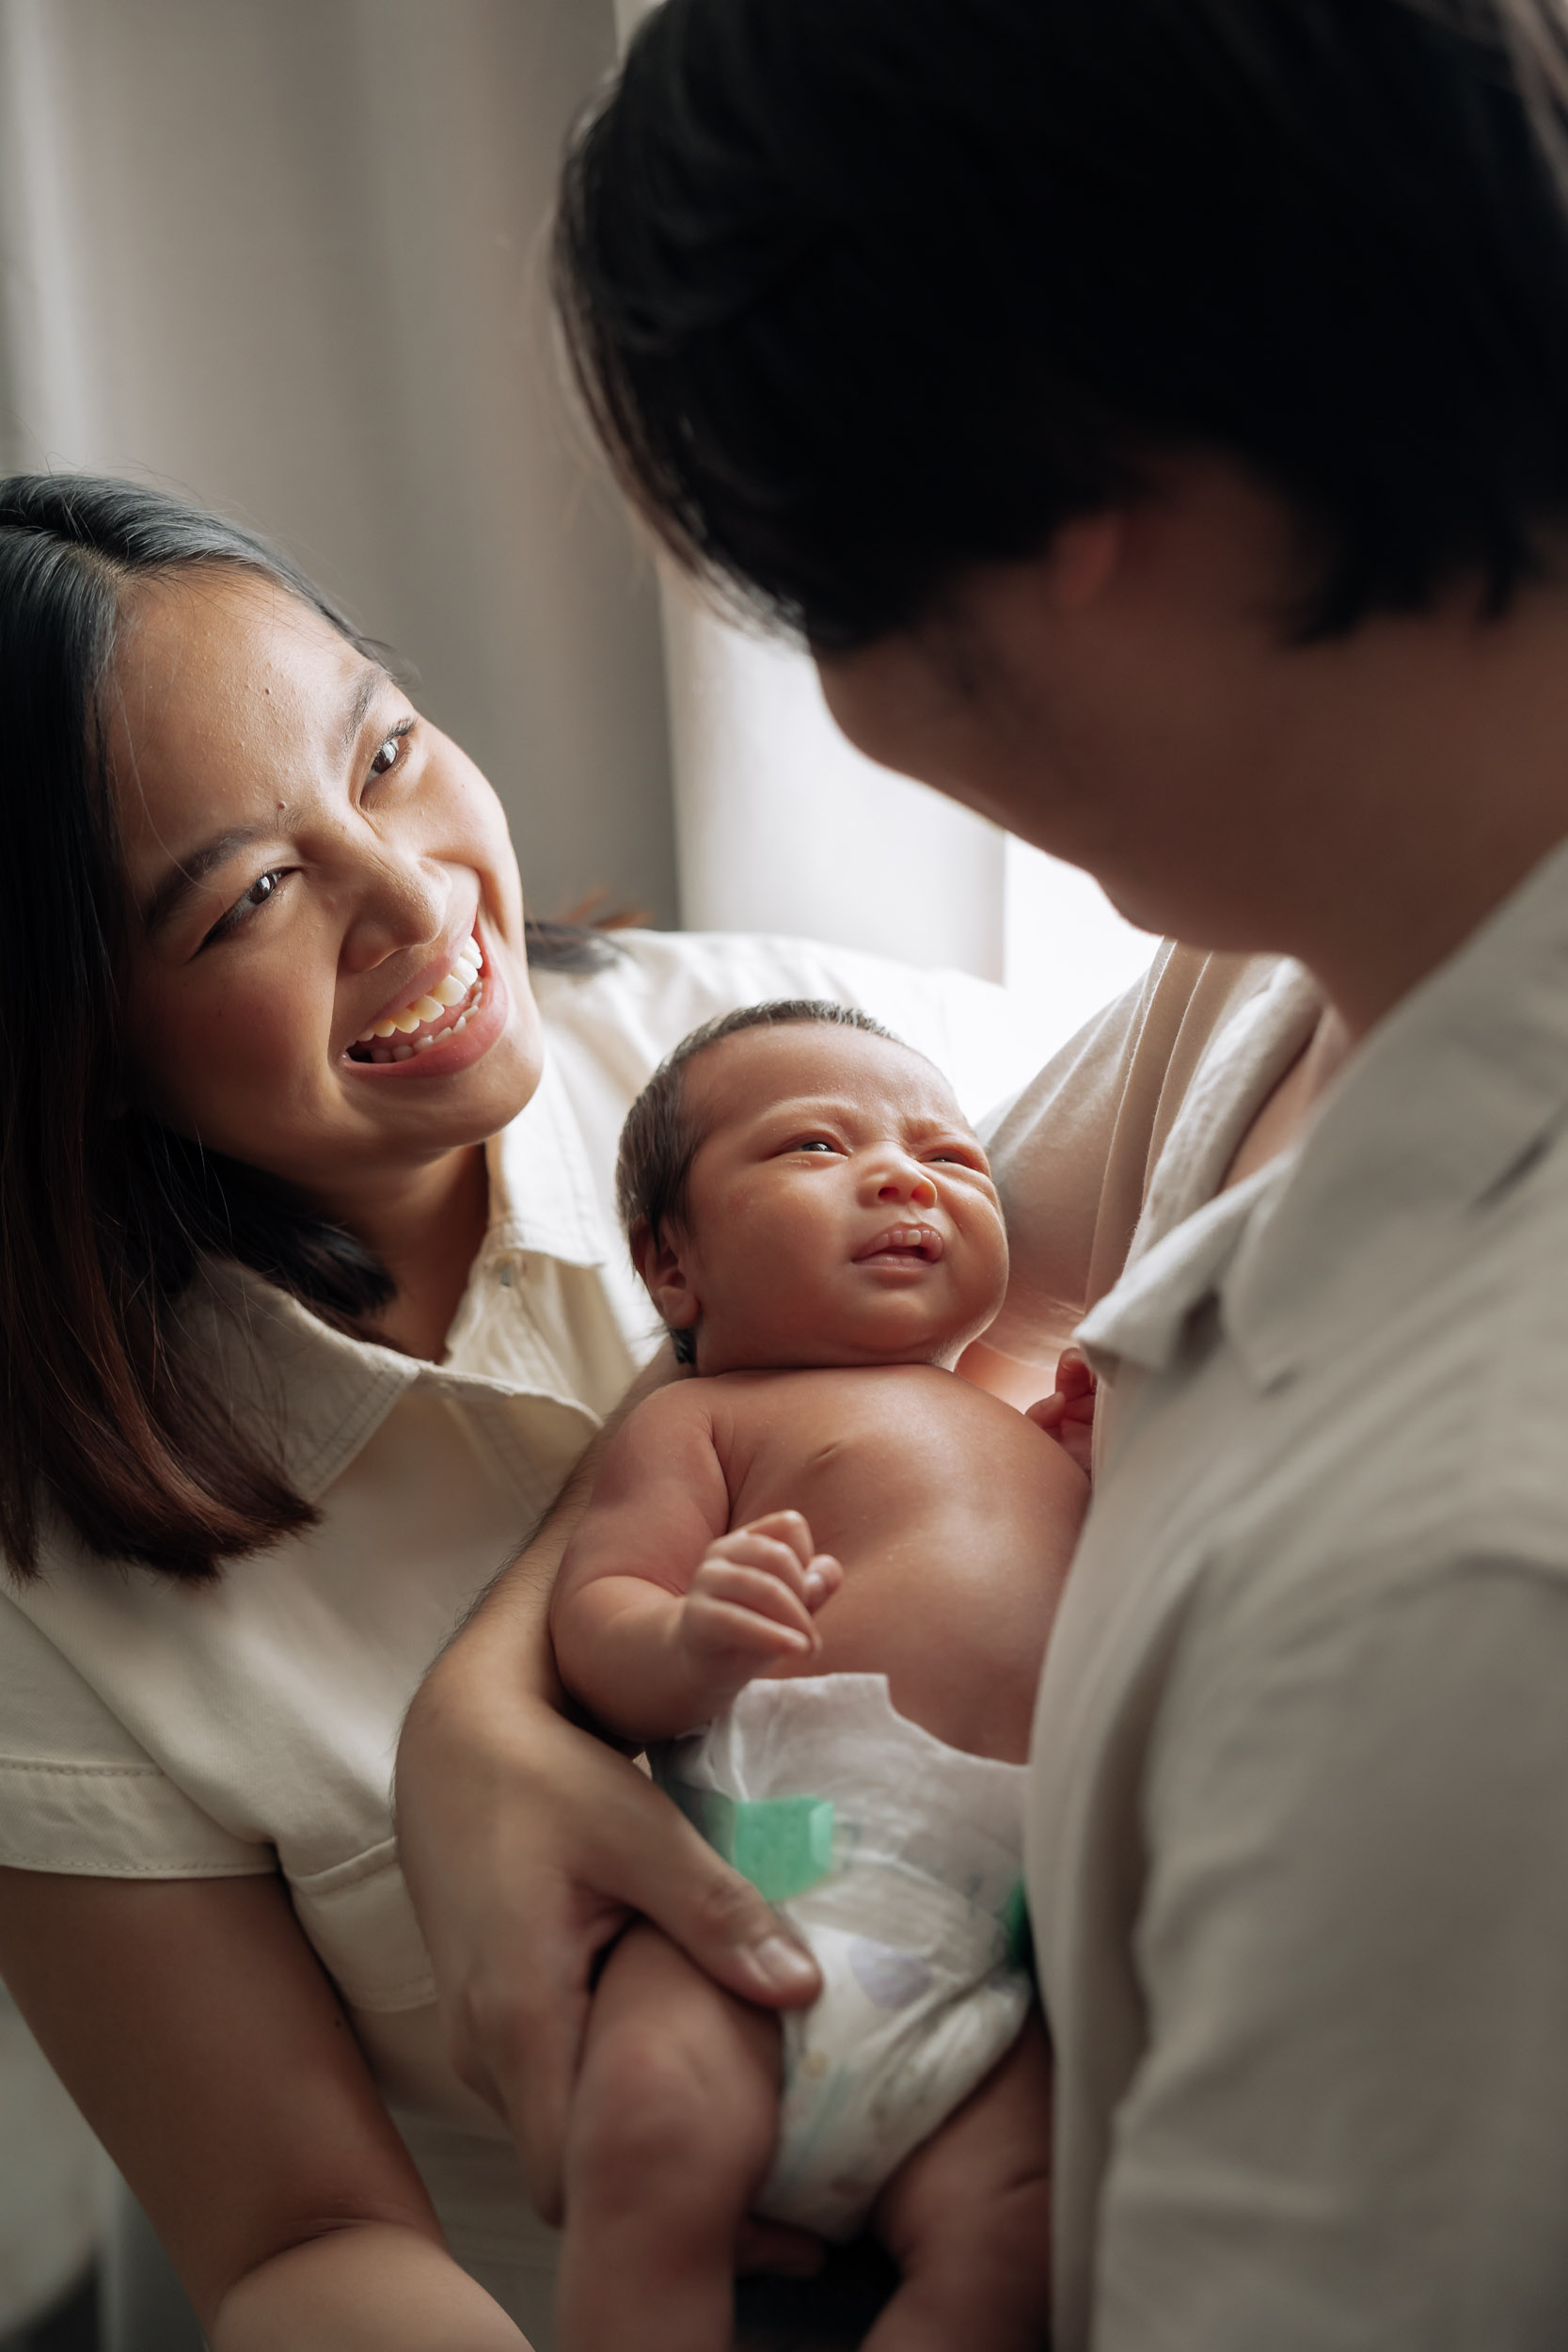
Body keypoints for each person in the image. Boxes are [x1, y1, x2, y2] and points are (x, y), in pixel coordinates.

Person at [396, 3, 1568, 2345]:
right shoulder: (1280, 968)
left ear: (1066, 512)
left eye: (820, 593)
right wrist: (487, 1734)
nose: (848, 704)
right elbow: (810, 1334)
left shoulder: (1459, 1596)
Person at [0, 474, 1051, 2350]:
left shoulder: (814, 1061)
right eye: (250, 894)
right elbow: (294, 2236)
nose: (414, 895)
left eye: (387, 751)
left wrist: (476, 1711)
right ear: (70, 1045)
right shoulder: (49, 1570)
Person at [550, 999, 1085, 2352]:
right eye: (813, 1147)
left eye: (952, 1159)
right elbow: (597, 1618)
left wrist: (1104, 1457)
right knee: (651, 2135)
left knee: (1028, 2226)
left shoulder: (1018, 1424)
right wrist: (686, 1638)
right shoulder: (703, 1420)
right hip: (765, 1884)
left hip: (987, 1966)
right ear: (672, 1265)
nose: (905, 1175)